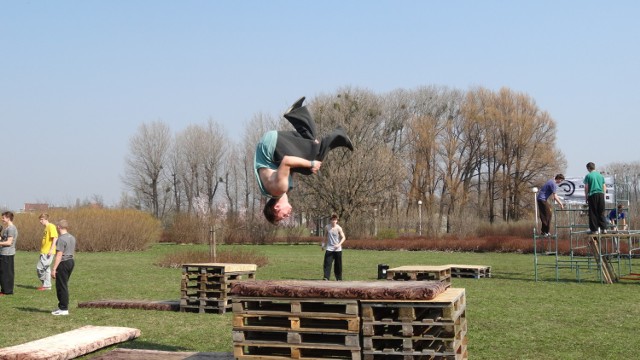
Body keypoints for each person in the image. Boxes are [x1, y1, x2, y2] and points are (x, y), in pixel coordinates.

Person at [255, 96, 353, 224]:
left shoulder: (279, 188)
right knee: (309, 153)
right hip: (269, 145)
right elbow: (292, 167)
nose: (286, 216)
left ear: (276, 207)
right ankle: (296, 112)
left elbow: (287, 161)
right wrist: (310, 147)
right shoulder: (282, 189)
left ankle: (338, 136)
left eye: (282, 216)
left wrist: (311, 160)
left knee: (310, 165)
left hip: (271, 146)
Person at [51, 219, 76, 315]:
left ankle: (63, 308)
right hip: (71, 261)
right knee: (63, 284)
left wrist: (54, 269)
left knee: (61, 286)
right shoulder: (72, 237)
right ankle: (61, 306)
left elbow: (59, 255)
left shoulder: (61, 239)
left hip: (63, 263)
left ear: (58, 227)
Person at [584, 162, 608, 234]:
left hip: (592, 194)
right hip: (601, 194)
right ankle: (604, 228)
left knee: (593, 212)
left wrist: (586, 196)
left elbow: (586, 187)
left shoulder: (588, 176)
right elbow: (604, 186)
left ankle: (595, 229)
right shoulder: (600, 176)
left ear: (588, 168)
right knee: (601, 212)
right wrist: (603, 194)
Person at [321, 214, 346, 281]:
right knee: (327, 263)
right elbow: (325, 236)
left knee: (338, 264)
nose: (334, 221)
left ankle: (338, 278)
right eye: (332, 220)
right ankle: (326, 277)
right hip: (329, 248)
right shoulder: (327, 227)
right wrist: (323, 245)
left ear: (337, 221)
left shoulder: (339, 228)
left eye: (335, 220)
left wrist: (339, 244)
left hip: (337, 249)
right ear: (330, 220)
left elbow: (343, 237)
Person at [36, 213, 58, 291]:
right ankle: (47, 286)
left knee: (39, 268)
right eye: (40, 219)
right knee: (46, 269)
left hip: (48, 252)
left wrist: (51, 250)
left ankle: (46, 284)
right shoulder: (46, 228)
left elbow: (55, 238)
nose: (40, 221)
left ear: (45, 219)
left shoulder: (51, 226)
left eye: (41, 219)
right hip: (44, 251)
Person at [0, 211, 18, 296]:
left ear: (8, 218)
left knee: (7, 273)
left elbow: (9, 242)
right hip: (4, 253)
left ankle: (7, 291)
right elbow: (4, 240)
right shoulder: (7, 228)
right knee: (4, 272)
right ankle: (5, 290)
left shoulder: (11, 228)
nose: (2, 219)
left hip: (7, 254)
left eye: (3, 218)